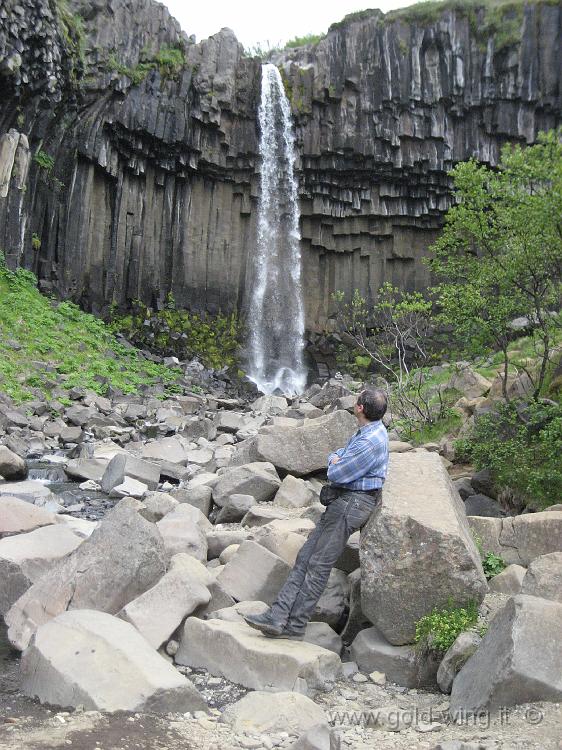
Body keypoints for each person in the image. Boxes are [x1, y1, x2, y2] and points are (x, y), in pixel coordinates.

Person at [244, 388, 389, 640]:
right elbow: (340, 458)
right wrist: (337, 458)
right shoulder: (368, 432)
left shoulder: (369, 440)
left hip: (351, 504)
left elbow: (336, 473)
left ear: (360, 408)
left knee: (318, 565)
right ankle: (278, 616)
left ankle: (295, 625)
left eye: (357, 401)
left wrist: (335, 461)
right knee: (306, 557)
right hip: (345, 503)